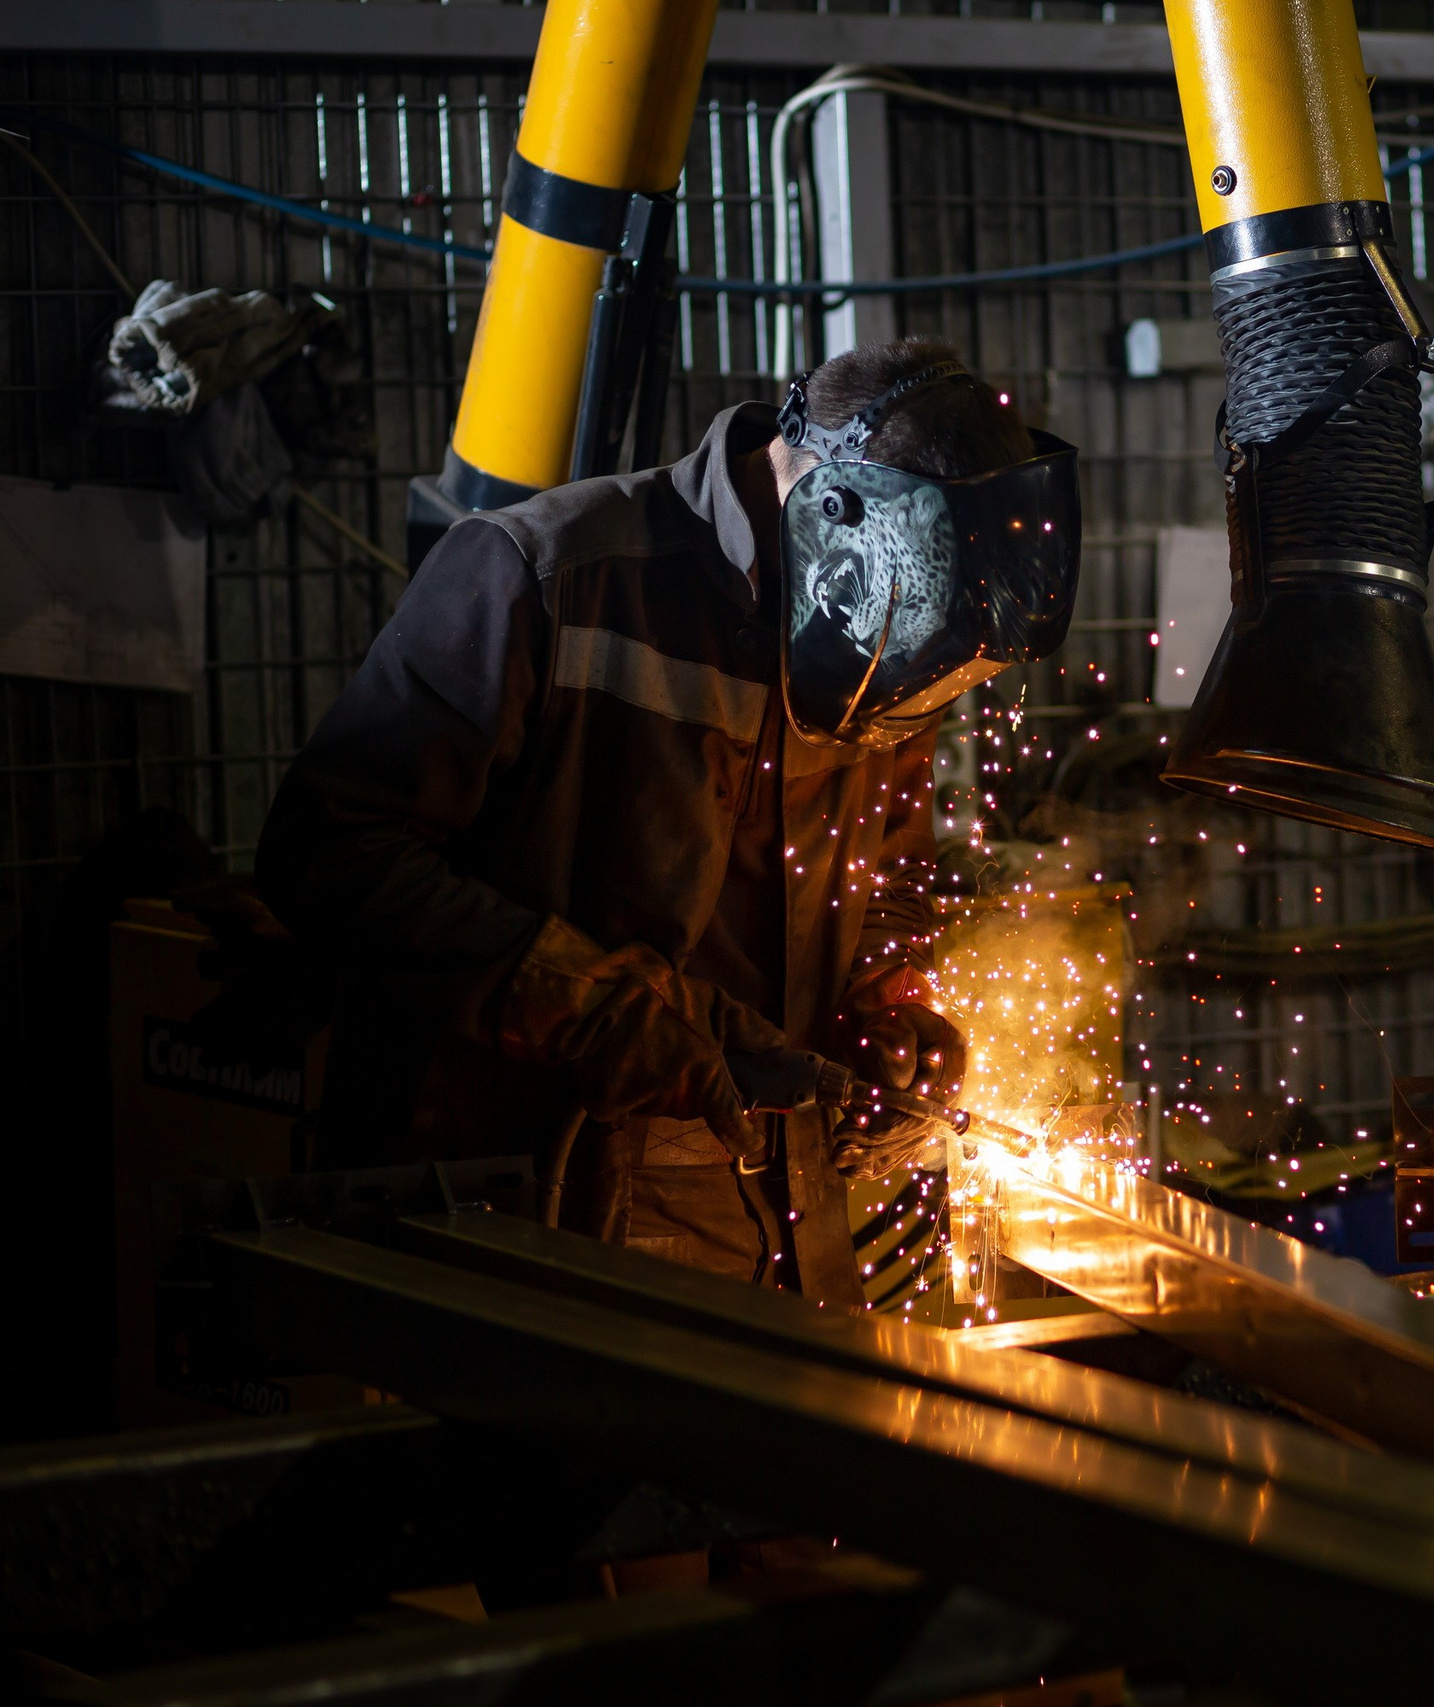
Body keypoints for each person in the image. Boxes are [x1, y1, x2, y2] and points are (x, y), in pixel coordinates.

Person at [257, 338, 1074, 1304]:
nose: (912, 708)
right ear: (835, 513)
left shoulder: (887, 641)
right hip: (519, 1225)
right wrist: (594, 1007)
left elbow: (884, 882)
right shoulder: (546, 577)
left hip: (768, 1232)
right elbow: (332, 851)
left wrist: (887, 1009)